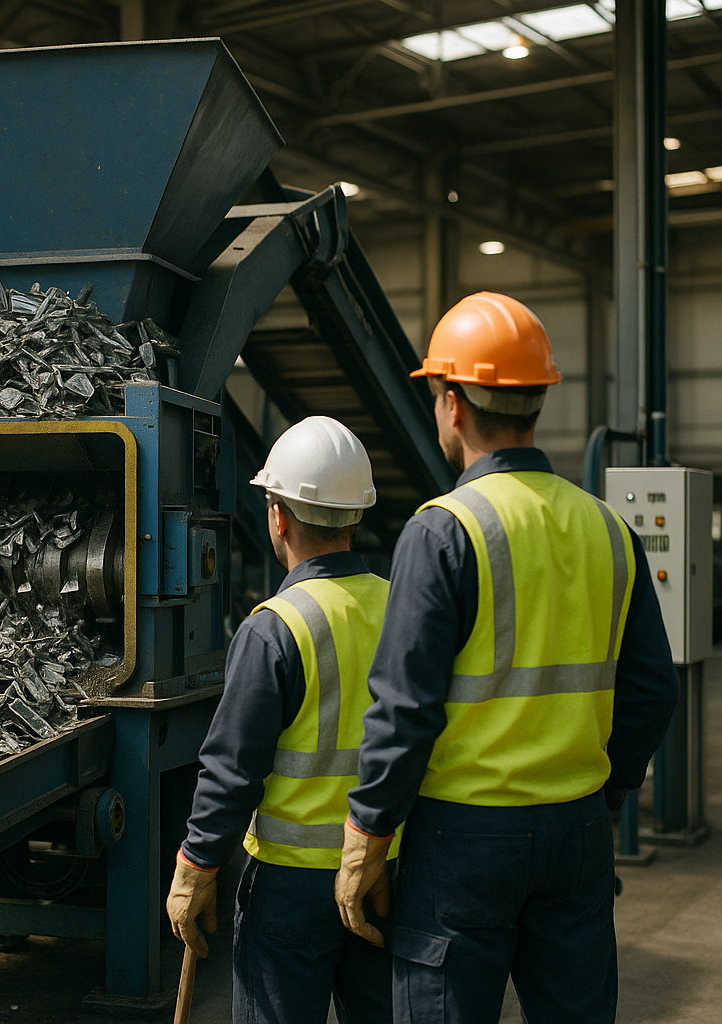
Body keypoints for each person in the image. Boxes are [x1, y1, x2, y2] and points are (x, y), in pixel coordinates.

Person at [334, 291, 679, 1024]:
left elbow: (404, 708)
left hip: (464, 839)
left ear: (452, 402)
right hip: (578, 828)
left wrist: (367, 836)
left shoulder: (444, 531)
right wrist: (604, 792)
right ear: (535, 400)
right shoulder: (610, 529)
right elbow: (652, 691)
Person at [166, 415, 398, 1024]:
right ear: (356, 514)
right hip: (382, 872)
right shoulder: (402, 608)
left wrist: (195, 868)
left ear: (278, 515)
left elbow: (231, 770)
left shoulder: (275, 627)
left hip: (289, 888)